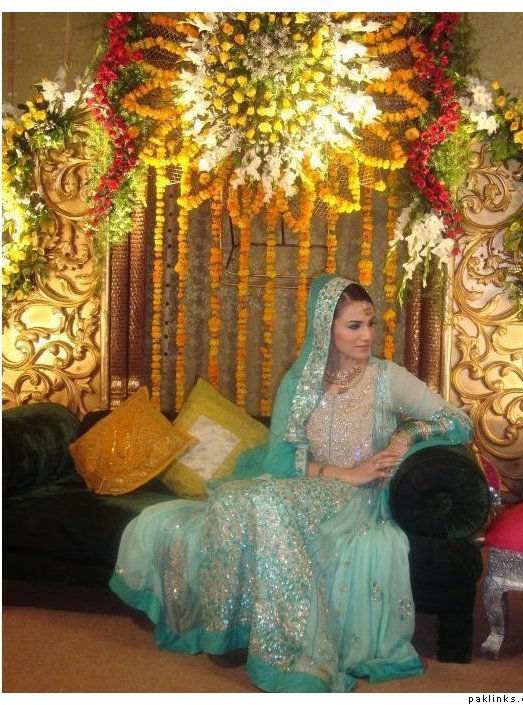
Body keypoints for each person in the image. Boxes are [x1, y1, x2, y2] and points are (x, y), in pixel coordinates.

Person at [110, 273, 473, 693]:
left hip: (358, 500)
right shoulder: (298, 383)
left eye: (371, 324)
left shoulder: (387, 377)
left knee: (264, 504)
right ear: (324, 328)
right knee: (234, 501)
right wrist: (344, 471)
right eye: (354, 326)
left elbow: (457, 420)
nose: (367, 336)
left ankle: (288, 651)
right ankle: (227, 629)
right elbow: (281, 462)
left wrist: (405, 436)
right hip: (307, 486)